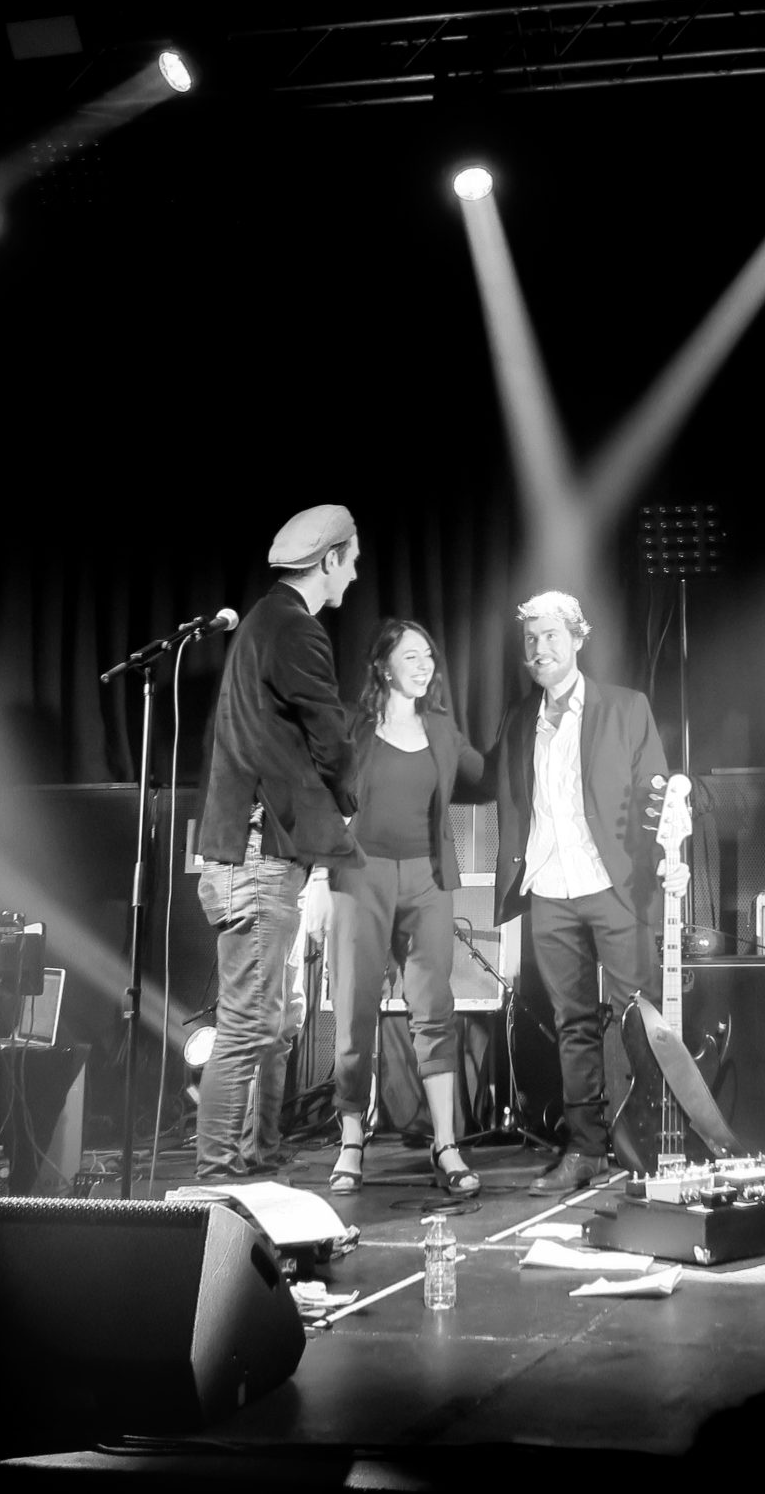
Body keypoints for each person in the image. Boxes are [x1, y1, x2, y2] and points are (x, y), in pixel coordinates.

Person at [190, 504, 361, 1180]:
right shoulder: (294, 627)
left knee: (274, 1020)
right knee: (246, 1026)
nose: (354, 573)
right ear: (330, 560)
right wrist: (348, 801)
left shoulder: (264, 623)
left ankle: (252, 1156)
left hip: (257, 848)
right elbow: (330, 736)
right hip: (260, 852)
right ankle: (216, 1176)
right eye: (351, 560)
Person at [486, 590, 672, 1195]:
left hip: (614, 883)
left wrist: (665, 855)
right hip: (549, 886)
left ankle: (647, 1142)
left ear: (577, 640)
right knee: (573, 1024)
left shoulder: (626, 707)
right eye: (531, 640)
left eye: (551, 637)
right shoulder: (520, 719)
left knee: (637, 1016)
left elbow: (656, 793)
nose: (540, 649)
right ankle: (586, 1147)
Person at [326, 618, 488, 1198]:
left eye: (429, 657)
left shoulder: (441, 728)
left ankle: (445, 1143)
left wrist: (536, 730)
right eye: (411, 656)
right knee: (354, 1009)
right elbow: (319, 787)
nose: (425, 666)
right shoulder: (353, 726)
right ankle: (351, 1140)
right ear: (383, 666)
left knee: (434, 1008)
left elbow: (486, 775)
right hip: (361, 873)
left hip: (428, 878)